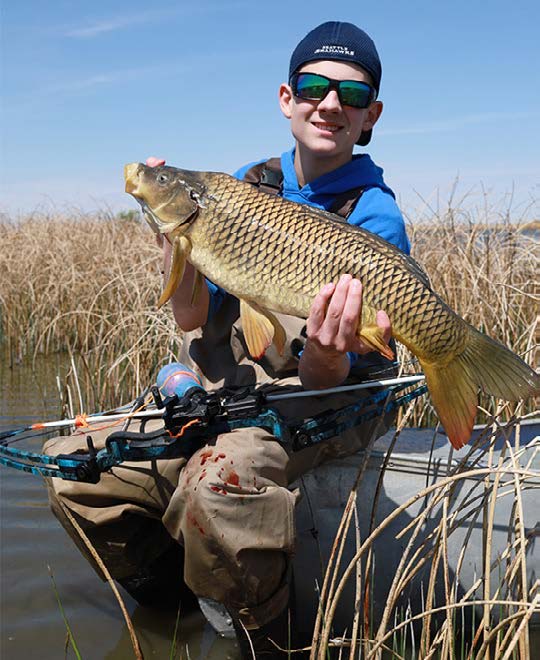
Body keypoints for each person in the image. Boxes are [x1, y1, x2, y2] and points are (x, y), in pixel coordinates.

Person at [45, 21, 410, 658]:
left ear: (370, 114)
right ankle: (173, 607)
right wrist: (172, 241)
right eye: (314, 87)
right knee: (74, 474)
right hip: (240, 392)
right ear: (286, 97)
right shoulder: (244, 184)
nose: (329, 104)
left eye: (350, 96)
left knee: (214, 489)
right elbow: (191, 317)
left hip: (322, 395)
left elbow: (329, 377)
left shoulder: (375, 216)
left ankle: (265, 639)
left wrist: (326, 348)